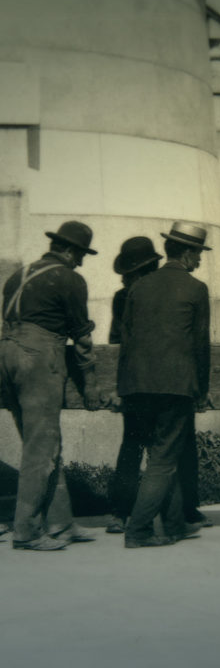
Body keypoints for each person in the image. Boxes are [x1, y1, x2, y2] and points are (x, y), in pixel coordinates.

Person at [0, 221, 103, 550]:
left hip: (6, 353)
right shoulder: (69, 278)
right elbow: (82, 337)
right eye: (81, 254)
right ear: (70, 251)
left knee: (43, 441)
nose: (81, 261)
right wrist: (90, 383)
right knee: (41, 447)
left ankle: (60, 522)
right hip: (38, 356)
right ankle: (27, 531)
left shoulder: (20, 273)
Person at [106, 236, 213, 534]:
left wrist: (121, 385)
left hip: (139, 382)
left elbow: (123, 341)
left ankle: (177, 517)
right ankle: (134, 519)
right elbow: (199, 344)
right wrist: (201, 389)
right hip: (173, 382)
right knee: (159, 451)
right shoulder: (190, 288)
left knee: (157, 449)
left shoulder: (137, 290)